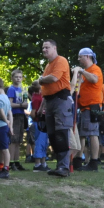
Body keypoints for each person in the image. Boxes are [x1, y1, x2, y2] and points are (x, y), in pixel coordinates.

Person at [35, 42, 73, 176]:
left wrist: (40, 79)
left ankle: (64, 167)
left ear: (55, 48)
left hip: (61, 100)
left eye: (47, 47)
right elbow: (47, 88)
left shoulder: (61, 61)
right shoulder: (48, 65)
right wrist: (42, 107)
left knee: (61, 133)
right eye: (43, 48)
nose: (44, 49)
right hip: (50, 101)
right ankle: (59, 166)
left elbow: (53, 78)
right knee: (52, 134)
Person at [72, 47, 104, 172]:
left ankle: (93, 162)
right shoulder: (86, 71)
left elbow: (95, 79)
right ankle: (78, 160)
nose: (78, 59)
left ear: (87, 56)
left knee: (92, 134)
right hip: (84, 108)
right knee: (82, 134)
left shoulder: (95, 69)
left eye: (80, 57)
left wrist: (81, 71)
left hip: (92, 107)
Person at [6, 70, 28, 171]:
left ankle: (17, 161)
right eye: (16, 77)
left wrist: (25, 105)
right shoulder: (11, 89)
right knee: (13, 140)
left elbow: (25, 103)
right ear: (12, 78)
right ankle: (10, 162)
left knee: (19, 140)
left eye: (20, 77)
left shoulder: (22, 89)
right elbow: (9, 104)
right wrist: (20, 105)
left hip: (21, 115)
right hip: (14, 116)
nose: (18, 79)